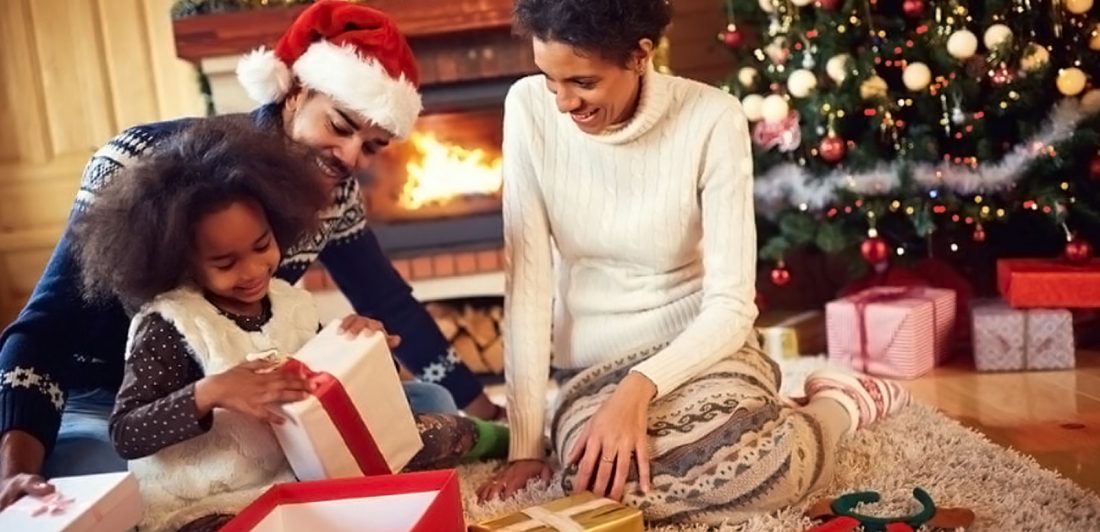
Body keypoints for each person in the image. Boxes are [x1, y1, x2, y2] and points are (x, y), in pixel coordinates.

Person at [0, 0, 500, 509]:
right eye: (341, 125)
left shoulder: (335, 195)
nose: (351, 158)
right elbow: (43, 330)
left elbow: (389, 302)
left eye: (373, 146)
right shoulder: (139, 160)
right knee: (104, 492)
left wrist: (485, 408)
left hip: (253, 414)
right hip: (118, 411)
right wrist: (15, 471)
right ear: (296, 91)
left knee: (428, 404)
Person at [476, 0, 911, 526]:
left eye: (584, 83)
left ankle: (840, 403)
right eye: (550, 79)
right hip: (591, 366)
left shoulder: (712, 117)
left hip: (701, 349)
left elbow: (731, 305)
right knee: (597, 485)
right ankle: (769, 419)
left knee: (765, 470)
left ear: (640, 56)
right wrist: (526, 445)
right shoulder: (527, 109)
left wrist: (639, 388)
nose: (564, 101)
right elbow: (527, 284)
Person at [72, 119, 508, 532]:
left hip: (299, 478)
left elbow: (336, 390)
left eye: (262, 246)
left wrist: (364, 349)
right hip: (204, 501)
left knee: (428, 429)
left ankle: (507, 441)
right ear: (181, 261)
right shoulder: (171, 324)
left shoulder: (290, 302)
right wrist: (212, 392)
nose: (252, 271)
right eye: (225, 263)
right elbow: (126, 433)